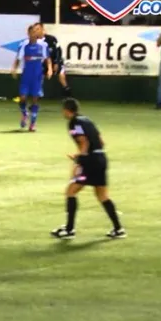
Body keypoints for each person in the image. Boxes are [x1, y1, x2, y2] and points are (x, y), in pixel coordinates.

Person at [52, 98, 126, 239]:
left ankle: (69, 229)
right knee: (102, 195)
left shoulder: (74, 123)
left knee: (71, 191)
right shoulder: (87, 120)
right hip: (101, 158)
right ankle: (118, 229)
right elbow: (101, 141)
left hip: (90, 160)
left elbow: (83, 140)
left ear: (67, 110)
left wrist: (80, 160)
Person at [12, 24, 52, 131]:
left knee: (35, 99)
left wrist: (50, 69)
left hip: (37, 75)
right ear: (29, 33)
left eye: (36, 31)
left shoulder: (43, 45)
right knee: (23, 97)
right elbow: (18, 58)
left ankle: (33, 123)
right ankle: (24, 114)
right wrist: (14, 69)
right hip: (27, 75)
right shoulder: (23, 45)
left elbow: (48, 59)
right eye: (32, 32)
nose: (34, 33)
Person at [34, 22, 71, 96]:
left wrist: (57, 62)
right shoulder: (34, 41)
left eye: (38, 29)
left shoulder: (51, 39)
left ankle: (68, 94)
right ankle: (36, 95)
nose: (36, 31)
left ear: (42, 29)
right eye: (35, 30)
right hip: (44, 62)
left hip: (55, 61)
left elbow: (58, 50)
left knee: (61, 76)